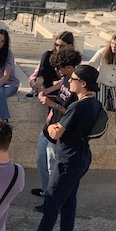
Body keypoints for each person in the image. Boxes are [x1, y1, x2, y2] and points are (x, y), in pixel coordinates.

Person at [12, 65, 103, 231]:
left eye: (74, 79)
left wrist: (54, 126)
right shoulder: (94, 103)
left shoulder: (77, 106)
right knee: (69, 200)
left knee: (52, 202)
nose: (70, 81)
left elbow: (56, 131)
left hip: (68, 160)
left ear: (84, 84)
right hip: (81, 157)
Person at [32, 47, 82, 200]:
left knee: (52, 168)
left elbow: (73, 114)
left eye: (60, 68)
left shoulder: (78, 86)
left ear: (69, 67)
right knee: (42, 163)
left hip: (59, 134)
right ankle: (47, 192)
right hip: (48, 128)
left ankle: (52, 199)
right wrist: (45, 91)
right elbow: (61, 85)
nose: (57, 71)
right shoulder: (67, 78)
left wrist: (52, 104)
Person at [27, 31, 75, 97]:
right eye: (56, 45)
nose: (58, 48)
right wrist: (33, 82)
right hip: (46, 83)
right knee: (47, 54)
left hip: (61, 88)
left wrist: (47, 91)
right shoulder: (50, 55)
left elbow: (65, 80)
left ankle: (39, 89)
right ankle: (36, 88)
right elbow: (37, 72)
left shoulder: (72, 58)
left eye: (61, 46)